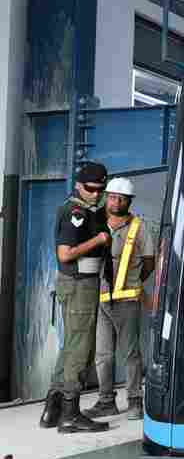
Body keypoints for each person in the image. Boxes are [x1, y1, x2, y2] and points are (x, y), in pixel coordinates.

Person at [38, 161, 112, 434]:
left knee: (71, 346)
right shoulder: (75, 212)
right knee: (81, 350)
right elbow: (65, 254)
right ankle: (70, 414)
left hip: (81, 283)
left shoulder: (87, 210)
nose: (96, 194)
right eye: (91, 189)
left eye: (100, 189)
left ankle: (53, 409)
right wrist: (99, 240)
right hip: (80, 284)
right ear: (78, 185)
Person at [83, 177, 155, 422]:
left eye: (122, 199)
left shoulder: (139, 227)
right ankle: (106, 402)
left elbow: (149, 262)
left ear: (129, 202)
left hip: (126, 300)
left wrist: (132, 282)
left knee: (130, 353)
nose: (116, 202)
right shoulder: (97, 223)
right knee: (103, 354)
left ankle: (135, 402)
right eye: (113, 197)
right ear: (107, 197)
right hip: (100, 298)